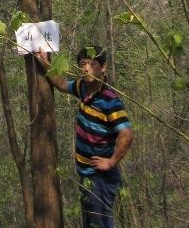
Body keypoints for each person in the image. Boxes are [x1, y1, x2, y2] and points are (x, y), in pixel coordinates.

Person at [37, 45, 133, 228]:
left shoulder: (110, 100)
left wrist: (111, 162)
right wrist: (45, 62)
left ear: (103, 68)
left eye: (93, 63)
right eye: (83, 64)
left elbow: (127, 134)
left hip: (101, 177)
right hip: (86, 175)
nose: (87, 68)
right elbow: (62, 84)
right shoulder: (83, 88)